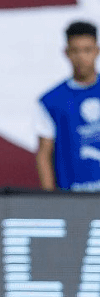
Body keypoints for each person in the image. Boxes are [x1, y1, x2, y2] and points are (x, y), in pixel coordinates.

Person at [35, 21, 100, 192]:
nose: (81, 57)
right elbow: (44, 154)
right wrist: (51, 201)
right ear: (67, 53)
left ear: (97, 51)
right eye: (75, 51)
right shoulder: (51, 101)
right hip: (72, 197)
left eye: (87, 50)